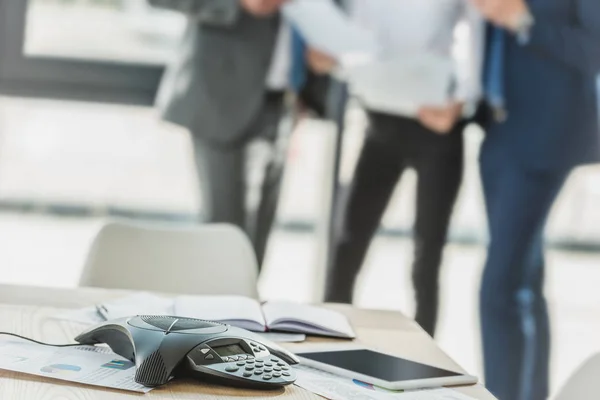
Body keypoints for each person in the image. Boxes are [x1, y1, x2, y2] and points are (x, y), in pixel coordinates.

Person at [324, 0, 484, 337]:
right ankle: (326, 344)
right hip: (380, 123)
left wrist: (463, 100)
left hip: (438, 129)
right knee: (347, 244)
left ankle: (424, 362)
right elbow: (350, 37)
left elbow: (476, 33)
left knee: (427, 258)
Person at [468, 0, 600, 398]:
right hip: (498, 129)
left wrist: (523, 20)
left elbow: (594, 47)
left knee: (500, 288)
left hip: (546, 135)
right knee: (523, 281)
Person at [150, 0, 313, 267]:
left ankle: (242, 306)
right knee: (223, 236)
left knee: (255, 243)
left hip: (283, 102)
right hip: (221, 96)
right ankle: (215, 308)